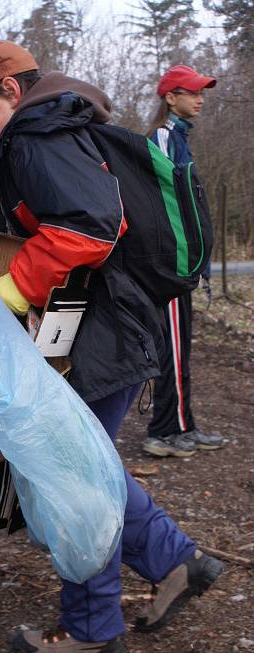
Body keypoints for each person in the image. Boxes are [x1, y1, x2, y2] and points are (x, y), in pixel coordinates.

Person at [0, 40, 224, 653]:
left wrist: (10, 291)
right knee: (86, 462)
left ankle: (93, 625)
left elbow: (89, 225)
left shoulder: (39, 137)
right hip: (108, 321)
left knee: (72, 474)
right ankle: (175, 561)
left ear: (9, 92)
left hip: (102, 329)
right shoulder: (59, 127)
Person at [142, 65, 226, 458]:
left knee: (181, 349)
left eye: (201, 92)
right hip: (170, 267)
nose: (200, 98)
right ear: (169, 97)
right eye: (192, 92)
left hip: (183, 265)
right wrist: (179, 259)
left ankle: (184, 425)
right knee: (172, 351)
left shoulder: (180, 138)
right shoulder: (162, 137)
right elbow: (161, 204)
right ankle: (163, 432)